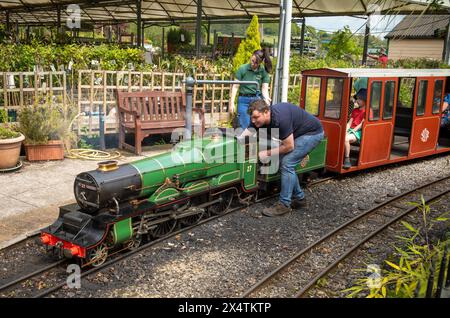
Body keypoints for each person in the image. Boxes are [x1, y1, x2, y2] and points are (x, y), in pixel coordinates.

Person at [241, 100, 324, 217]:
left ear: (266, 112)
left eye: (256, 117)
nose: (253, 121)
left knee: (286, 163)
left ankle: (284, 204)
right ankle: (300, 199)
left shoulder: (280, 119)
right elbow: (248, 132)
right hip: (297, 133)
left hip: (312, 134)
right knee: (282, 163)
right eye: (252, 118)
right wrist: (237, 141)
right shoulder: (258, 118)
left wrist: (267, 153)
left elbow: (289, 146)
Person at [230, 49, 272, 129]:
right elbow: (235, 86)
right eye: (252, 60)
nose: (253, 64)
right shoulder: (242, 69)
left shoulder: (263, 71)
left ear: (260, 62)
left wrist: (266, 98)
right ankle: (246, 141)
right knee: (244, 125)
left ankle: (254, 140)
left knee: (256, 125)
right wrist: (232, 103)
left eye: (256, 63)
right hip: (243, 100)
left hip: (256, 100)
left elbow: (264, 89)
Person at [343, 89, 367, 169]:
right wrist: (346, 130)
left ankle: (347, 159)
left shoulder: (367, 111)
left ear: (365, 100)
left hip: (358, 132)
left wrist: (353, 131)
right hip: (351, 130)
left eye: (360, 99)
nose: (357, 101)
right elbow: (350, 122)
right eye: (357, 99)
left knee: (346, 139)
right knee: (341, 136)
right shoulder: (355, 110)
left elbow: (361, 124)